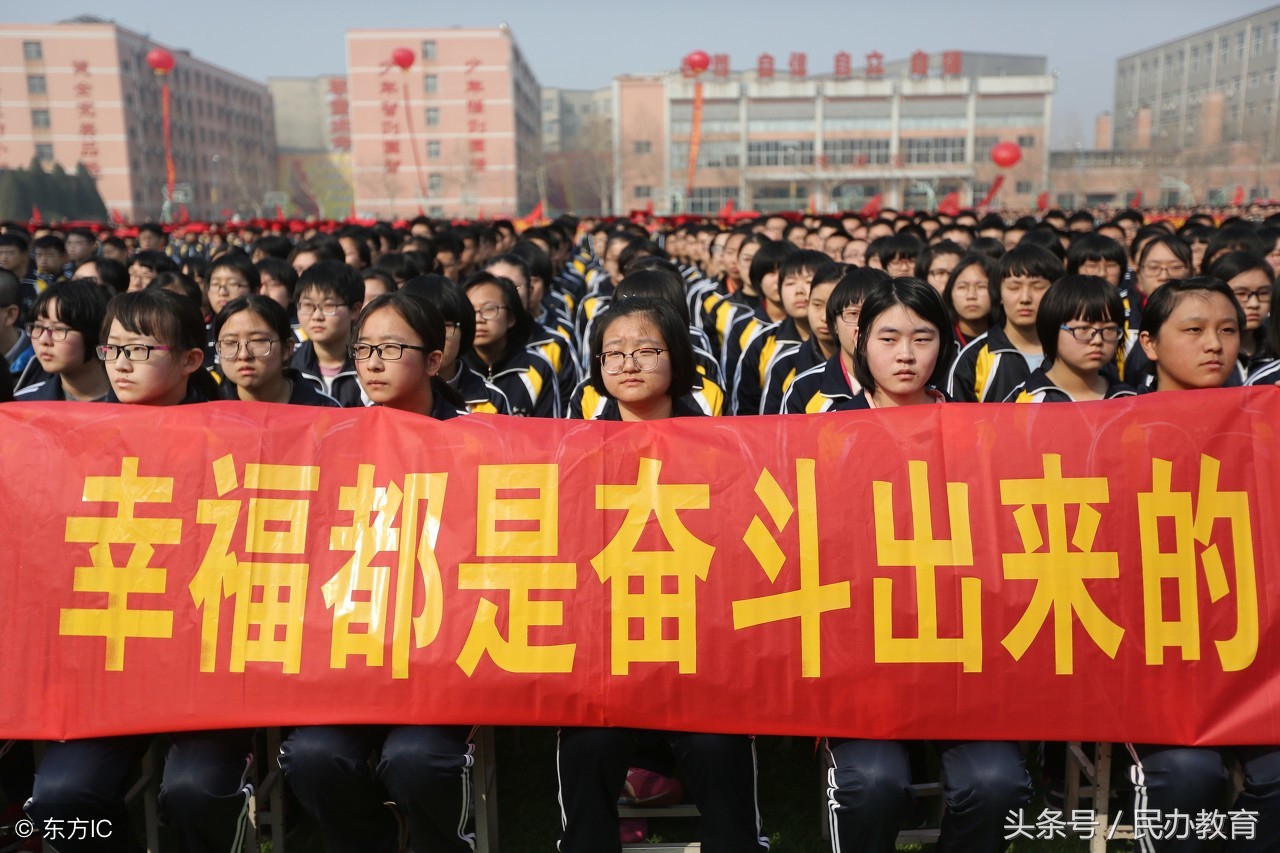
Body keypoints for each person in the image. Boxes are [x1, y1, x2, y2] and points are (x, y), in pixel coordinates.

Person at [26, 289, 250, 852]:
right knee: (57, 802)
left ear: (191, 360)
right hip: (107, 662)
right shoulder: (77, 441)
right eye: (113, 349)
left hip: (208, 669)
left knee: (195, 790)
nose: (121, 363)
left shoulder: (240, 439)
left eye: (140, 350)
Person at [826, 277, 1032, 851]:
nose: (906, 354)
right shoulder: (824, 434)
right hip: (861, 657)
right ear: (861, 344)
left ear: (945, 345)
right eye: (889, 338)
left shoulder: (982, 433)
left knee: (995, 784)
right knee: (872, 784)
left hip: (965, 652)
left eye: (922, 337)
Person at [558, 296, 769, 853]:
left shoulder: (723, 445)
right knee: (587, 746)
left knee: (716, 747)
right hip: (605, 649)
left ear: (676, 357)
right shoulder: (573, 450)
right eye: (613, 353)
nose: (628, 364)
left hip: (704, 646)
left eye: (646, 350)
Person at [280, 290, 475, 853]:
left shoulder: (477, 442)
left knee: (417, 761)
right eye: (365, 348)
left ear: (434, 361)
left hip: (440, 650)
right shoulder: (333, 440)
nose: (373, 362)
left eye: (392, 348)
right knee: (314, 757)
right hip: (349, 649)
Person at [1128, 275, 1280, 852]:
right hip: (1155, 658)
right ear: (1149, 344)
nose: (1214, 344)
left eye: (1227, 331)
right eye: (1192, 331)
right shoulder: (1109, 430)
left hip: (1252, 654)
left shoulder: (1267, 426)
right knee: (1188, 777)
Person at [947, 245, 1063, 402]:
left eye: (1037, 287)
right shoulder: (973, 359)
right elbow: (957, 422)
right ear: (998, 293)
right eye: (1014, 287)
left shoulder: (1075, 352)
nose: (1025, 298)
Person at [1004, 275, 1137, 402]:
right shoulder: (1023, 403)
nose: (1097, 340)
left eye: (1109, 329)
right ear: (1052, 329)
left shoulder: (1131, 401)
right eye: (1083, 329)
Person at [781, 267, 889, 413]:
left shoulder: (917, 388)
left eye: (875, 313)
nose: (862, 325)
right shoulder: (804, 388)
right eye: (853, 313)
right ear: (834, 323)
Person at [400, 274, 511, 414]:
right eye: (419, 327)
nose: (432, 337)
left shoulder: (491, 401)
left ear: (464, 330)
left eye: (444, 326)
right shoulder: (388, 396)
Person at [461, 272, 559, 417]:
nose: (478, 319)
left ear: (511, 317)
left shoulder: (537, 368)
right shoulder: (456, 368)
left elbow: (549, 432)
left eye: (489, 309)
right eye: (470, 310)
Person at [212, 295, 339, 406]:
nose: (244, 355)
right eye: (230, 342)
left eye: (258, 341)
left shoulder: (325, 409)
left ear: (286, 348)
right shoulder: (208, 411)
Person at [11, 280, 111, 401]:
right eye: (38, 327)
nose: (44, 340)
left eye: (59, 329)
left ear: (96, 333)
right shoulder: (23, 404)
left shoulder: (133, 408)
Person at [288, 261, 365, 407]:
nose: (317, 316)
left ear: (355, 310)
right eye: (307, 305)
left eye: (329, 305)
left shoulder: (369, 368)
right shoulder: (288, 367)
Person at [1206, 251, 1273, 372]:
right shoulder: (1205, 352)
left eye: (1263, 293)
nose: (1254, 304)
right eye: (1241, 293)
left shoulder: (1275, 349)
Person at [941, 254, 996, 351]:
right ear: (950, 294)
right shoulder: (941, 342)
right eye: (962, 287)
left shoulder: (1009, 341)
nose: (971, 296)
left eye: (981, 286)